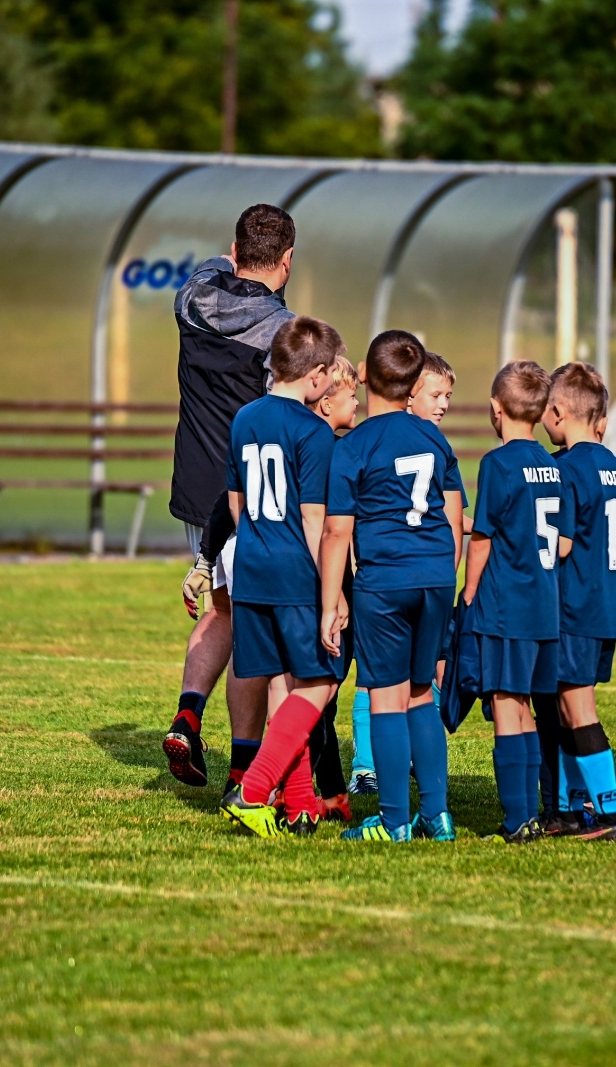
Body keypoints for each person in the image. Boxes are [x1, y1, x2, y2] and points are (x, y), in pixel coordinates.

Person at [164, 204, 297, 790]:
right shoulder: (285, 335)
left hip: (198, 491)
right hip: (254, 496)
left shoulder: (192, 301)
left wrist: (234, 257)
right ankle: (248, 768)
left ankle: (189, 712)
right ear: (288, 262)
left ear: (236, 253)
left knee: (223, 609)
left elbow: (211, 268)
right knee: (258, 629)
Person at [320, 331, 465, 843]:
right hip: (434, 577)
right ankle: (438, 814)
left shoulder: (354, 445)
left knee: (385, 697)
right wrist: (444, 576)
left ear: (363, 374)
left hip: (384, 580)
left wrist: (330, 601)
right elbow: (452, 517)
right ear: (413, 385)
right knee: (422, 693)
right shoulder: (433, 437)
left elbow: (337, 531)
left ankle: (394, 821)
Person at [217, 316, 346, 838]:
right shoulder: (314, 432)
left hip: (250, 565)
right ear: (316, 376)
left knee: (281, 686)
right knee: (319, 682)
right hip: (295, 570)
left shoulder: (245, 418)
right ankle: (253, 789)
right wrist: (331, 593)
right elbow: (316, 520)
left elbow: (235, 503)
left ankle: (298, 804)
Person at [461, 361, 571, 844]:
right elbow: (564, 543)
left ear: (495, 409)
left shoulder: (497, 464)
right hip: (545, 604)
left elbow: (481, 538)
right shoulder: (554, 464)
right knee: (524, 705)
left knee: (505, 706)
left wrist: (467, 594)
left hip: (506, 604)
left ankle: (516, 820)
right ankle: (531, 814)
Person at [540, 362, 616, 842]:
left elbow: (564, 543)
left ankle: (610, 814)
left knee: (579, 708)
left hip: (575, 604)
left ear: (558, 412)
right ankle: (575, 807)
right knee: (567, 703)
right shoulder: (615, 468)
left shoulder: (570, 470)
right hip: (606, 603)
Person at [303, 354, 360, 825]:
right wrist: (336, 590)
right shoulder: (325, 448)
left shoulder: (326, 441)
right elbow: (324, 526)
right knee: (320, 690)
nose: (357, 403)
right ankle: (293, 785)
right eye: (350, 396)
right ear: (325, 404)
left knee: (325, 691)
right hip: (327, 582)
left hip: (327, 580)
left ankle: (332, 791)